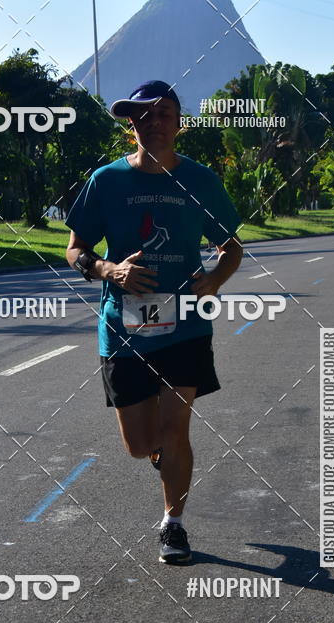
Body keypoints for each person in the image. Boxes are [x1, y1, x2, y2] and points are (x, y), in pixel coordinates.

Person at [65, 80, 242, 564]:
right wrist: (108, 269)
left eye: (164, 113)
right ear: (132, 127)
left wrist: (215, 279)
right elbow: (75, 249)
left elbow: (232, 248)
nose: (154, 122)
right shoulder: (107, 181)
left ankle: (174, 524)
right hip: (122, 329)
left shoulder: (201, 181)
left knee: (176, 425)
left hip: (185, 323)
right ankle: (162, 459)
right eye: (143, 115)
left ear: (178, 123)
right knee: (141, 444)